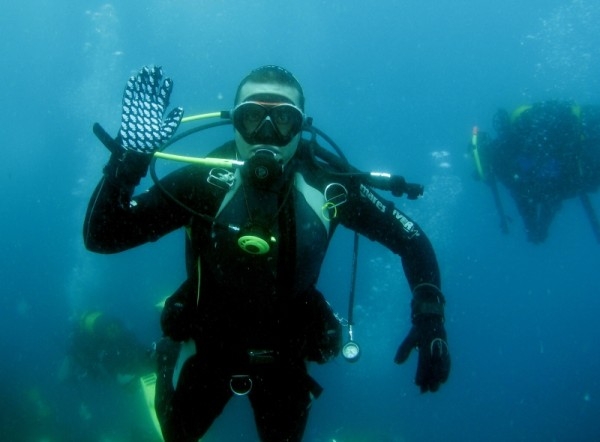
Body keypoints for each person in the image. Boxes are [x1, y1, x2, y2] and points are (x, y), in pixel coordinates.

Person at [83, 65, 450, 442]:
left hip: (286, 350)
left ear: (301, 125)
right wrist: (128, 161)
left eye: (284, 119)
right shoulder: (205, 182)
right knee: (176, 434)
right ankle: (166, 359)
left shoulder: (331, 185)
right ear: (234, 122)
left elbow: (411, 239)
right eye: (252, 117)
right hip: (209, 342)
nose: (267, 133)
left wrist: (430, 315)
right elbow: (104, 235)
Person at [473, 100, 600, 243]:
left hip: (586, 149)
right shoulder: (520, 136)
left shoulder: (510, 153)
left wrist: (536, 228)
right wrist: (537, 228)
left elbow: (545, 189)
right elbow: (541, 187)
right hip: (585, 141)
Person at [59, 311, 156, 387]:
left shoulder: (79, 334)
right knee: (132, 348)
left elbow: (90, 358)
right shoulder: (94, 319)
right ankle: (152, 357)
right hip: (115, 331)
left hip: (110, 346)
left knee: (120, 360)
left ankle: (137, 374)